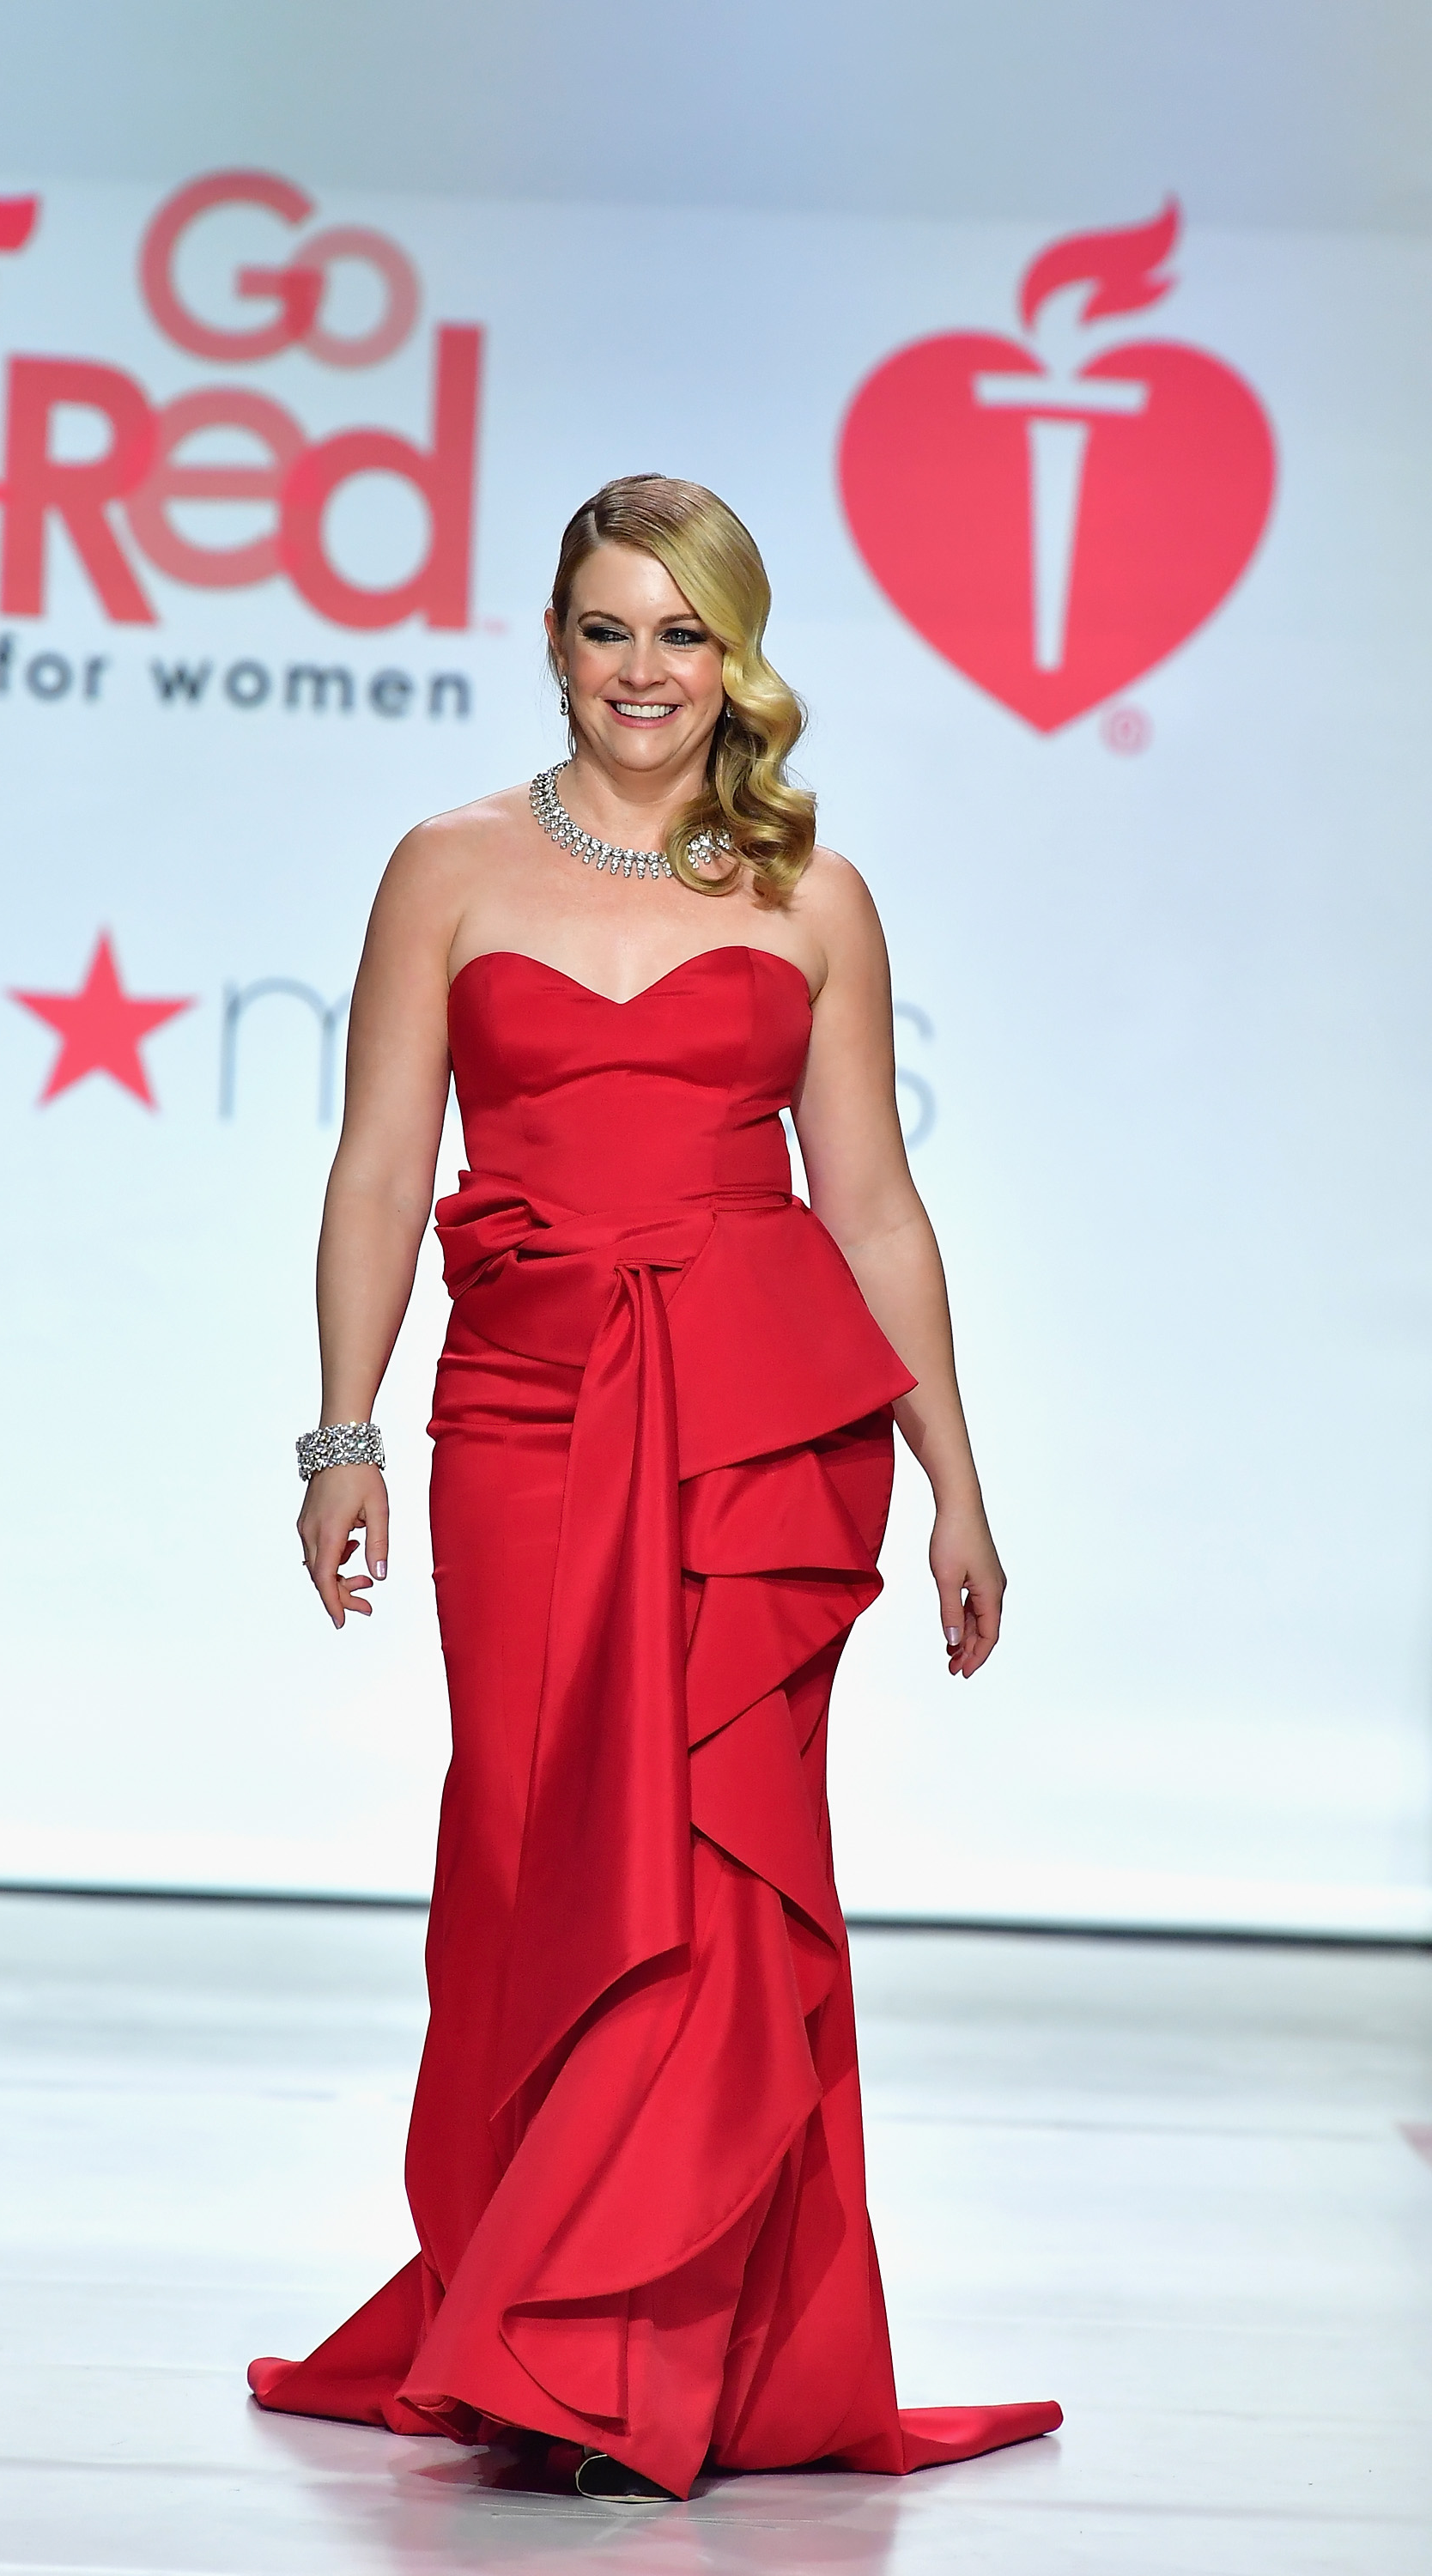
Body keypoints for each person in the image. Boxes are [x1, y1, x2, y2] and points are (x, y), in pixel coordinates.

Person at [249, 476, 1060, 2502]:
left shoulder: (813, 896)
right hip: (520, 1421)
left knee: (722, 1864)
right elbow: (372, 1166)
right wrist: (342, 1432)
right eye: (609, 630)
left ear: (737, 657)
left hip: (757, 1436)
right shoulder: (445, 867)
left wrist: (954, 1479)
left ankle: (634, 2354)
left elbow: (869, 1203)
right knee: (541, 1849)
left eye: (681, 634)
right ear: (554, 644)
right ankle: (540, 2309)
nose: (642, 671)